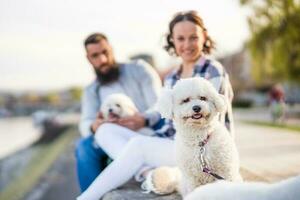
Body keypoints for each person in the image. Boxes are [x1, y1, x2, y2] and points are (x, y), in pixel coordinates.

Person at [77, 11, 235, 200]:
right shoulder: (172, 76)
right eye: (180, 38)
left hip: (203, 148)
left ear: (204, 37)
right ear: (172, 41)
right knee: (104, 132)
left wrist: (144, 125)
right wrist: (140, 122)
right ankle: (148, 173)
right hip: (171, 141)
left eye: (193, 37)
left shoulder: (212, 69)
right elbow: (164, 114)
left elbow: (210, 120)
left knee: (137, 146)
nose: (187, 45)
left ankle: (88, 197)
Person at [75, 33, 162, 192]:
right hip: (112, 135)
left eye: (105, 52)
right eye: (95, 55)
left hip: (147, 128)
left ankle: (145, 171)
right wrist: (95, 126)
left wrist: (143, 119)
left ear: (112, 50)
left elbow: (159, 104)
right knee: (83, 147)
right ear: (89, 59)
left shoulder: (139, 69)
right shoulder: (91, 91)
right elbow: (85, 122)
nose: (102, 59)